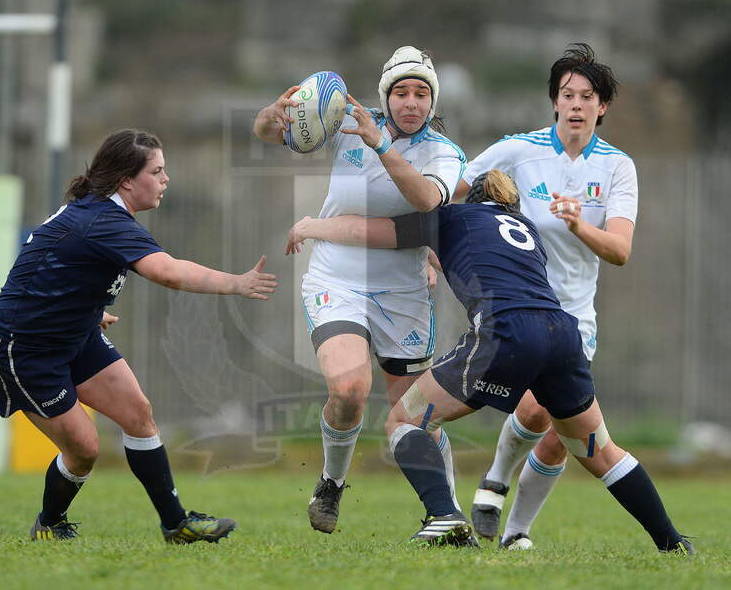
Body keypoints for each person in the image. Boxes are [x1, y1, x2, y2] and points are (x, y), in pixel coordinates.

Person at [285, 169, 693, 554]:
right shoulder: (526, 230)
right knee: (600, 450)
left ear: (469, 198)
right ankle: (671, 541)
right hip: (561, 333)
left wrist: (310, 226)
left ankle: (443, 516)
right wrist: (431, 260)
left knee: (405, 420)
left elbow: (372, 231)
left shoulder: (451, 217)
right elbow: (477, 261)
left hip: (506, 332)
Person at [0, 129, 277, 543]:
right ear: (126, 181)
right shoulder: (102, 220)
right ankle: (49, 524)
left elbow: (50, 263)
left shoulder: (101, 214)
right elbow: (167, 272)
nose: (165, 179)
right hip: (22, 346)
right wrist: (236, 283)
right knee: (85, 450)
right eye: (157, 171)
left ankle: (176, 524)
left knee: (138, 414)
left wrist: (84, 309)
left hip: (73, 332)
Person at [254, 46, 466, 533]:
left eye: (421, 94)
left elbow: (429, 200)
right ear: (384, 96)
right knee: (349, 389)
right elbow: (274, 134)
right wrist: (273, 115)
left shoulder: (444, 152)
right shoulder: (347, 120)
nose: (410, 102)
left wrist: (382, 146)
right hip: (336, 279)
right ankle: (331, 483)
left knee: (416, 411)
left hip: (404, 292)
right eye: (401, 92)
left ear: (433, 103)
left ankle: (446, 512)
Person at [442, 43, 639, 549]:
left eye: (587, 96)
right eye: (567, 94)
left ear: (602, 107)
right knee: (534, 411)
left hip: (577, 315)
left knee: (557, 437)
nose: (576, 104)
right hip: (521, 304)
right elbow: (453, 191)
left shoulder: (618, 167)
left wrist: (578, 224)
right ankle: (493, 482)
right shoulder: (517, 150)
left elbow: (619, 250)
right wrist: (432, 243)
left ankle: (514, 532)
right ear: (554, 101)